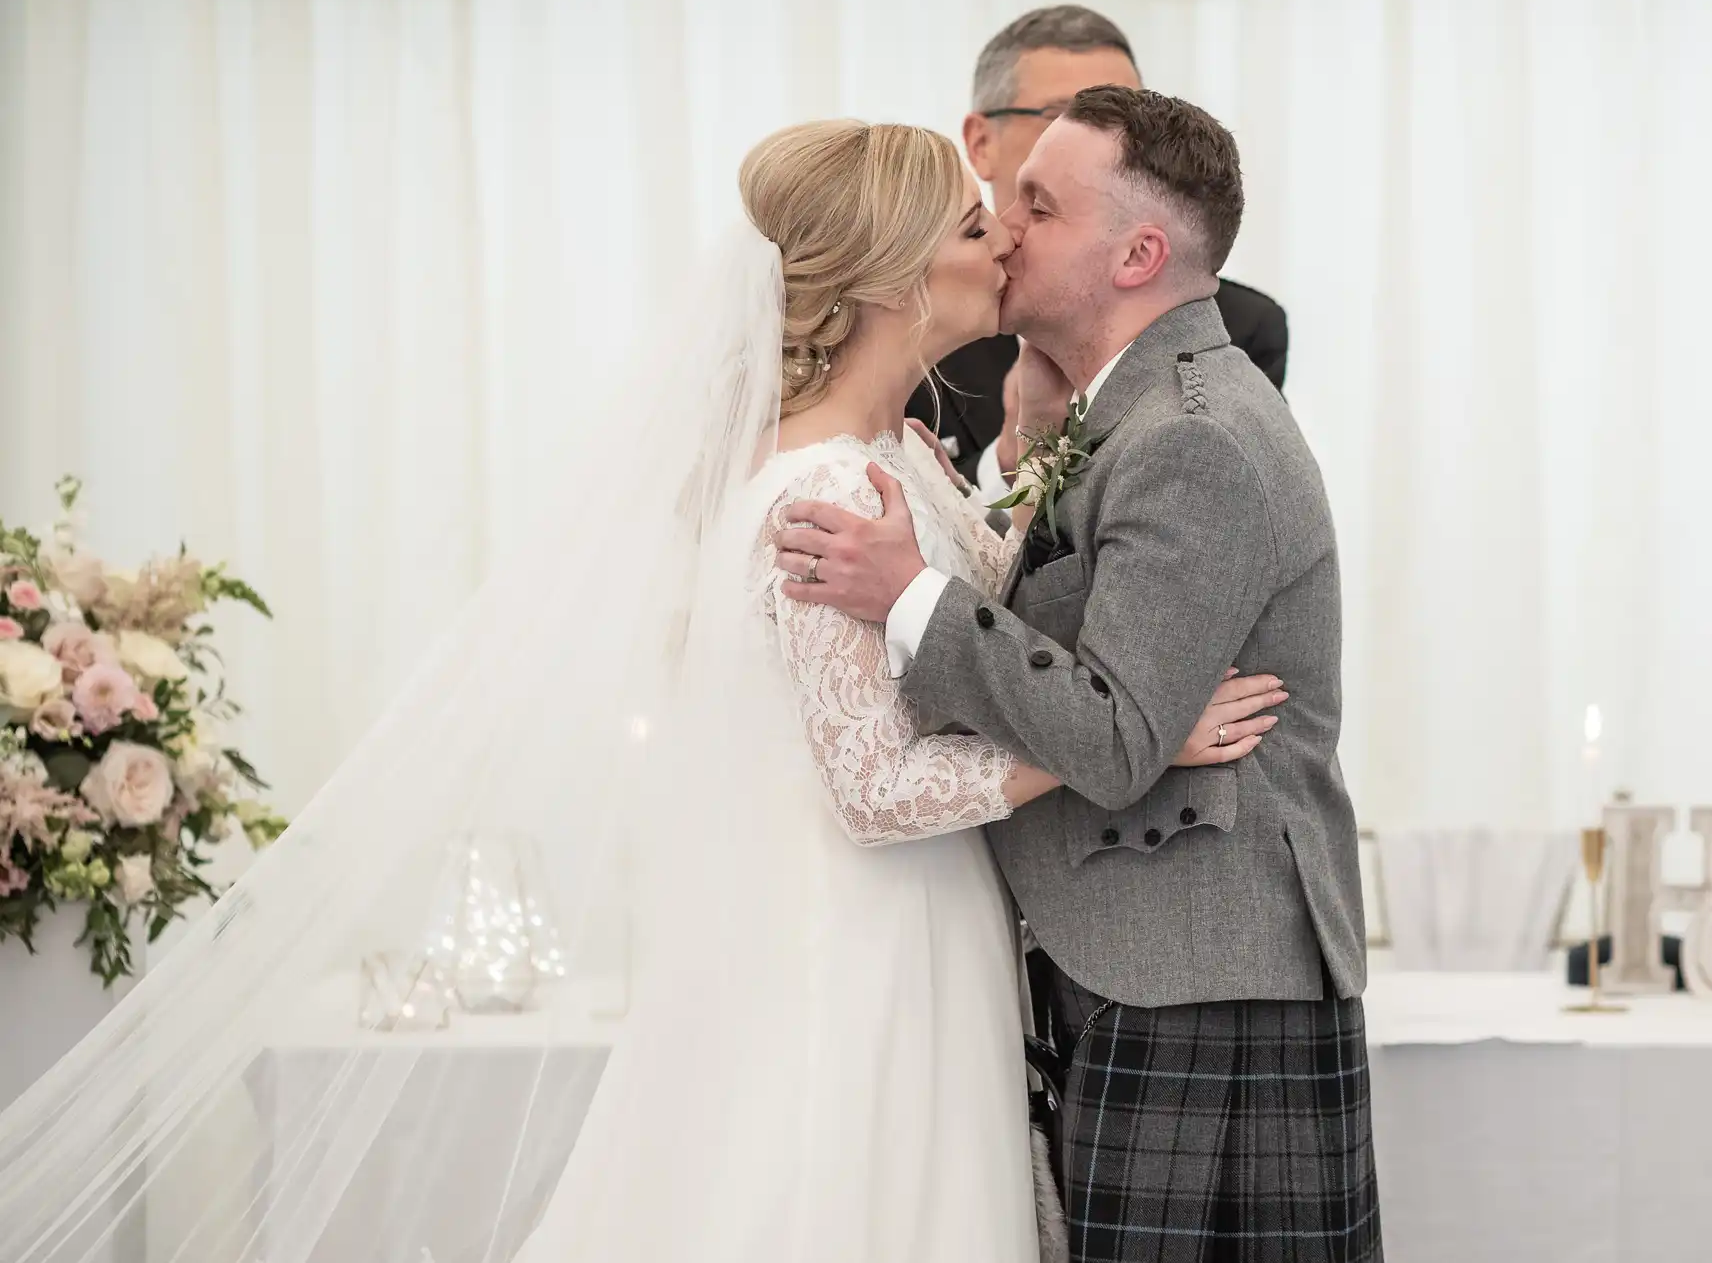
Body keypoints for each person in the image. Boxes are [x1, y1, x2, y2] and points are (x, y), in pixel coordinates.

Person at [0, 122, 1287, 1263]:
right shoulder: (819, 499)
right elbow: (876, 789)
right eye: (971, 223)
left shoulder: (892, 454)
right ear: (896, 277)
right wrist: (1132, 738)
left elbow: (978, 609)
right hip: (856, 935)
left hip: (918, 924)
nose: (1000, 236)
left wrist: (1024, 447)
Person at [780, 88, 1382, 1261]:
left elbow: (1114, 741)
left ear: (1136, 254)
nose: (1003, 228)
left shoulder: (1190, 437)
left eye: (1037, 206)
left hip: (1191, 982)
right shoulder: (1122, 414)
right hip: (1143, 965)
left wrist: (910, 593)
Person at [910, 5, 1289, 490]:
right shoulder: (915, 313)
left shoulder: (1240, 331)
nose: (1108, 139)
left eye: (1125, 112)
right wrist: (1010, 458)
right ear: (981, 143)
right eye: (1062, 115)